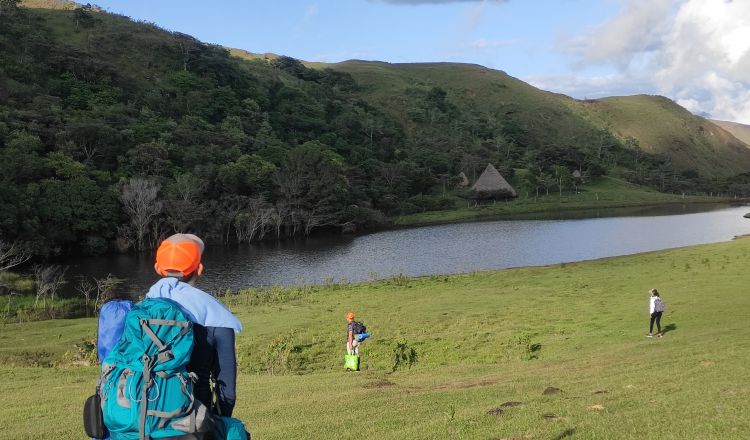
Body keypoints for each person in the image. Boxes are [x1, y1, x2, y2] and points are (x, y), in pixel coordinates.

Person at [147, 233, 243, 417]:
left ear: (158, 268)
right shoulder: (217, 318)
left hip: (144, 412)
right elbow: (227, 392)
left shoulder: (142, 311)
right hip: (195, 417)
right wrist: (218, 422)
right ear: (199, 269)